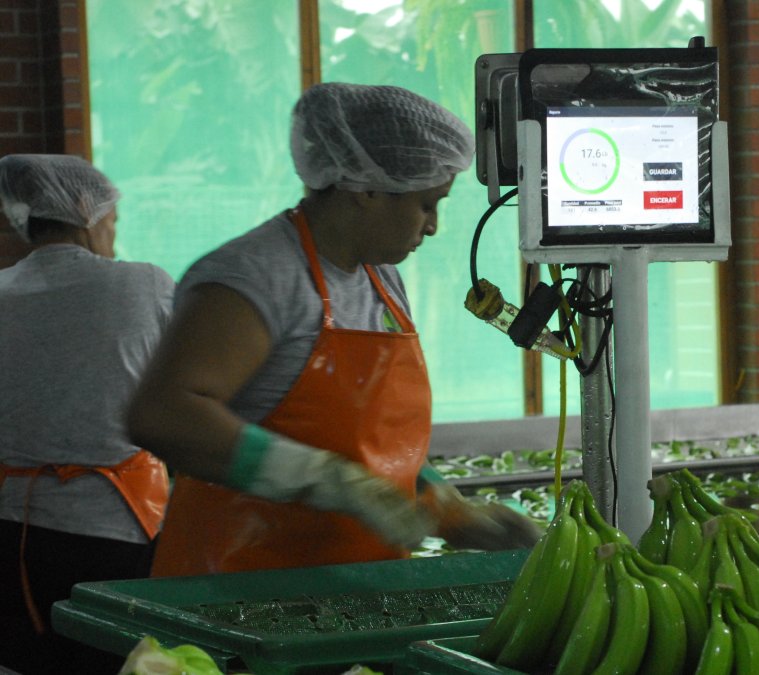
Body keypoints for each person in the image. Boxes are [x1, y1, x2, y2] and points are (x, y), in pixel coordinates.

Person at [126, 82, 541, 578]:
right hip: (236, 587)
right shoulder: (257, 276)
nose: (432, 226)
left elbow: (374, 443)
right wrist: (320, 478)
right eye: (427, 204)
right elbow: (163, 414)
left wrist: (443, 505)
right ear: (365, 188)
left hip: (355, 586)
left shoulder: (380, 278)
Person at [0, 154, 174, 673]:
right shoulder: (144, 284)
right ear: (84, 209)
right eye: (112, 222)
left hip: (12, 530)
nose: (113, 239)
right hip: (114, 532)